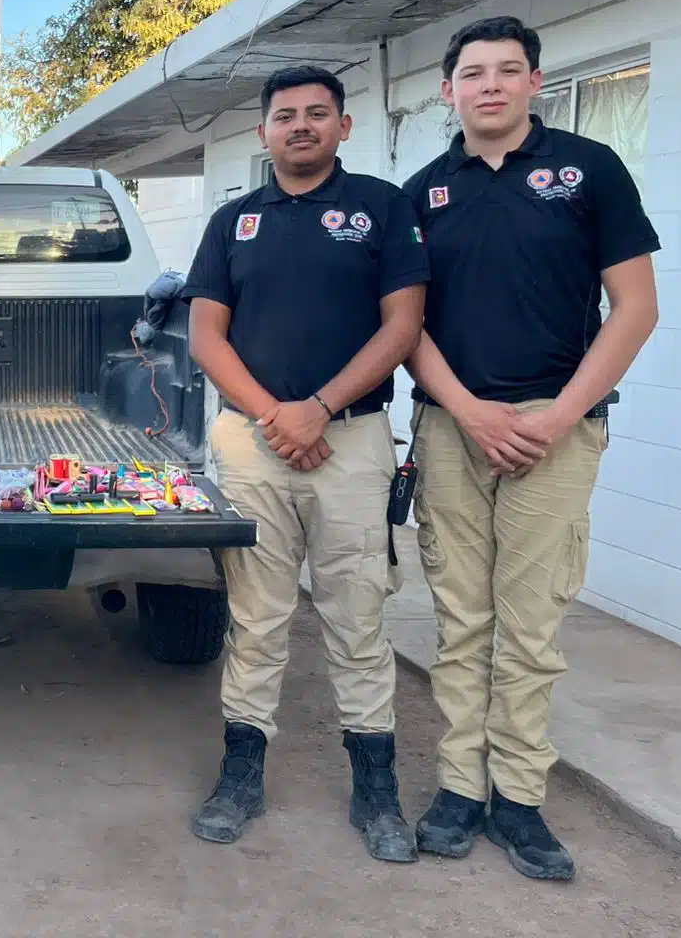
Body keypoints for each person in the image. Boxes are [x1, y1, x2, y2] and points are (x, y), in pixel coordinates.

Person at [402, 17, 659, 881]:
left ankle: (518, 799)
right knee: (462, 621)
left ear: (535, 83)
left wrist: (557, 416)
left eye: (508, 71)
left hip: (559, 431)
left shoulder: (590, 171)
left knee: (531, 624)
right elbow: (406, 327)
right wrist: (469, 411)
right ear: (448, 92)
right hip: (453, 430)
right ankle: (458, 791)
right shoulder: (424, 192)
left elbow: (634, 308)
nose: (490, 86)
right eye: (472, 73)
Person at [182, 65, 430, 863]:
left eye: (316, 114)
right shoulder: (234, 223)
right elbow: (207, 337)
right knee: (257, 618)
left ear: (343, 127)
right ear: (263, 133)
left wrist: (317, 408)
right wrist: (274, 415)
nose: (300, 126)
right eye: (284, 115)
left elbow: (403, 326)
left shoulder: (382, 210)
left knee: (358, 618)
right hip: (254, 444)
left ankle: (377, 791)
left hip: (350, 440)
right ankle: (241, 776)